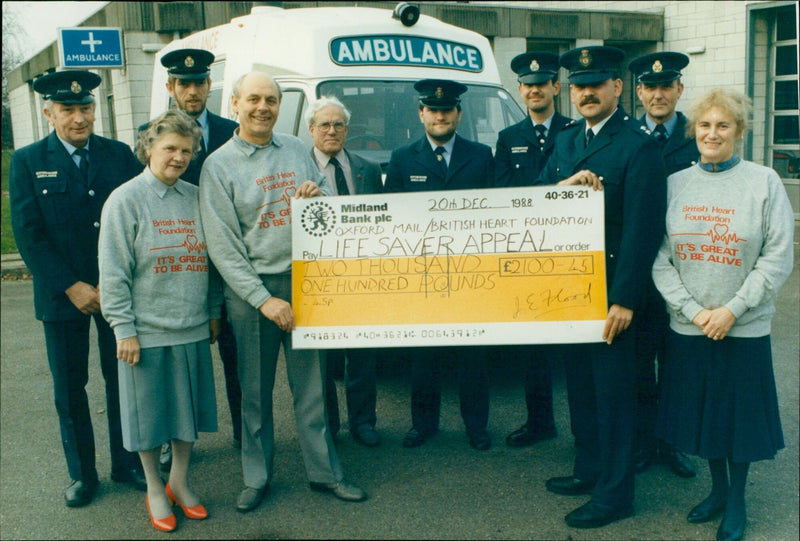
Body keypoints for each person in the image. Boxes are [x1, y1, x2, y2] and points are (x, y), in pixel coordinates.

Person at [199, 71, 367, 513]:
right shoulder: (217, 165)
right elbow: (222, 245)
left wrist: (317, 199)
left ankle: (326, 473)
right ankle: (256, 477)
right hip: (252, 292)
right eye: (253, 98)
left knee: (312, 388)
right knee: (254, 392)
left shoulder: (296, 149)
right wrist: (263, 299)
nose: (263, 107)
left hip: (305, 282)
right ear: (234, 103)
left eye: (271, 100)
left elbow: (327, 209)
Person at [652, 88, 794, 541]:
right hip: (690, 327)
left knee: (739, 419)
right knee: (706, 415)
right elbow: (658, 258)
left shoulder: (764, 181)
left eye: (723, 126)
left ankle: (737, 500)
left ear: (739, 132)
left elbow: (777, 256)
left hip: (743, 326)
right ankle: (716, 490)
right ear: (694, 131)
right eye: (705, 125)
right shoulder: (675, 182)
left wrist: (732, 310)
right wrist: (694, 311)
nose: (712, 134)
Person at [536, 46, 667, 528]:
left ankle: (615, 495)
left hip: (613, 294)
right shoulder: (568, 141)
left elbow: (642, 229)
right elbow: (537, 198)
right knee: (582, 389)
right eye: (578, 85)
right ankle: (589, 469)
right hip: (570, 292)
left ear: (617, 88)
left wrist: (625, 299)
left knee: (614, 397)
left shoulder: (637, 145)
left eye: (596, 84)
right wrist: (562, 188)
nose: (586, 92)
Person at [9, 70, 146, 508]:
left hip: (115, 292)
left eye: (85, 108)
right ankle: (82, 475)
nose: (79, 118)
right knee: (70, 388)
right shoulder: (28, 161)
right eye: (67, 110)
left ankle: (126, 464)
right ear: (48, 113)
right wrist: (72, 286)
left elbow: (134, 220)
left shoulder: (120, 155)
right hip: (62, 296)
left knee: (122, 381)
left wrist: (114, 280)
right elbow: (29, 235)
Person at [98, 109, 222, 532]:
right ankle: (154, 487)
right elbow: (113, 272)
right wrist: (123, 328)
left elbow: (213, 261)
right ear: (149, 148)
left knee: (186, 416)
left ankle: (180, 482)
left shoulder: (196, 196)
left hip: (190, 327)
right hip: (145, 333)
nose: (178, 157)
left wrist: (212, 312)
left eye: (187, 150)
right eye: (170, 148)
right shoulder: (125, 200)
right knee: (149, 418)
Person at [143, 48, 242, 471]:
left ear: (209, 85)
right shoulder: (152, 133)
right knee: (174, 369)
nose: (192, 90)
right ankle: (171, 443)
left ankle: (245, 434)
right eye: (183, 83)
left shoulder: (230, 130)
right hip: (179, 265)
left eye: (199, 82)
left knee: (237, 361)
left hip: (230, 264)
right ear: (171, 87)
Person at [384, 79, 494, 451]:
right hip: (422, 275)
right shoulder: (402, 159)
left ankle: (477, 426)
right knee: (423, 357)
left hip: (470, 274)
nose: (440, 116)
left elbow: (499, 213)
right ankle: (423, 424)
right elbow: (391, 218)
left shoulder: (481, 156)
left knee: (473, 356)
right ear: (421, 114)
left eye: (447, 110)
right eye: (433, 109)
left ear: (459, 114)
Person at [627, 51, 700, 478]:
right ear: (638, 92)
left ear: (679, 89)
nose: (658, 94)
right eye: (650, 87)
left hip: (682, 273)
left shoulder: (697, 135)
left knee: (676, 366)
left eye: (666, 86)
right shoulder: (629, 136)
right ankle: (640, 442)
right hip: (638, 270)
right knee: (638, 364)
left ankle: (671, 444)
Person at [494, 51, 572, 448]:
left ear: (556, 87)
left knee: (578, 348)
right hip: (527, 255)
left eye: (542, 84)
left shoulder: (575, 131)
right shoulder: (508, 139)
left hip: (572, 254)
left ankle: (584, 432)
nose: (534, 90)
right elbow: (503, 195)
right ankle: (539, 422)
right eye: (527, 85)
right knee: (533, 346)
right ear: (520, 90)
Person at [306, 96, 384, 447]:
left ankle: (363, 423)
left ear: (347, 130)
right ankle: (328, 426)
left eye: (339, 124)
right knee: (322, 361)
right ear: (311, 130)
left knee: (362, 357)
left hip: (360, 277)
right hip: (317, 280)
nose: (332, 131)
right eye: (324, 124)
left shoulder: (366, 168)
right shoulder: (297, 170)